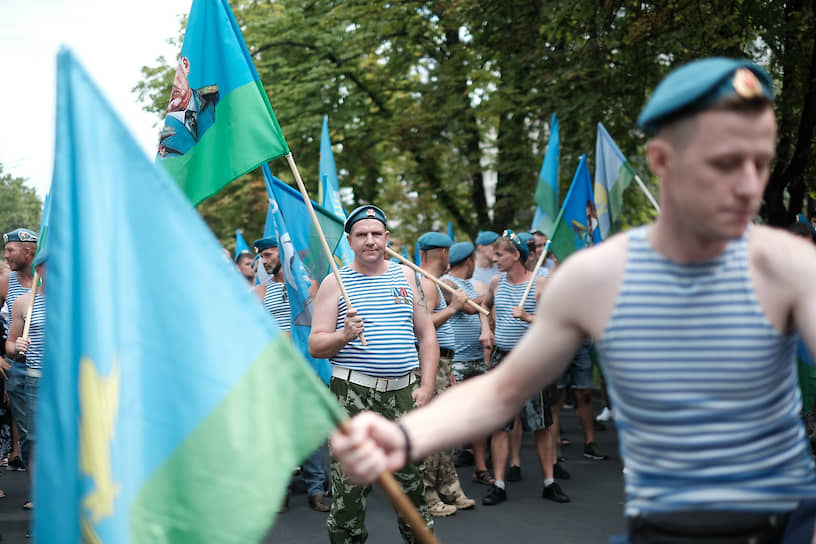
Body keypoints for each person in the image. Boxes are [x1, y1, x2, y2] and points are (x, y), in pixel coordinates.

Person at [330, 58, 816, 542]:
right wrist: (404, 437)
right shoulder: (596, 278)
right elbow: (503, 391)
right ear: (663, 160)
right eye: (726, 162)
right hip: (662, 530)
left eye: (762, 161)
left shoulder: (789, 265)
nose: (750, 183)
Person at [310, 205, 437, 543]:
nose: (370, 241)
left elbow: (426, 336)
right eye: (362, 235)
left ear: (387, 238)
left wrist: (426, 387)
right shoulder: (333, 283)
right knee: (350, 491)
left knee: (412, 487)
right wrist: (343, 336)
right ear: (349, 241)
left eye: (376, 234)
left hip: (403, 394)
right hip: (353, 395)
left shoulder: (407, 276)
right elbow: (316, 345)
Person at [481, 229, 567, 505]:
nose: (494, 259)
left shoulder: (540, 284)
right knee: (500, 425)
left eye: (499, 254)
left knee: (541, 425)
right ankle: (499, 484)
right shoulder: (496, 282)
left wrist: (528, 316)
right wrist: (486, 329)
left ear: (516, 255)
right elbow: (485, 306)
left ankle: (549, 482)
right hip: (502, 359)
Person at [415, 232, 475, 516]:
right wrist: (453, 308)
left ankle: (448, 486)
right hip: (432, 364)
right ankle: (427, 494)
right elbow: (422, 327)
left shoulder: (433, 284)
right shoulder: (427, 284)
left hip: (444, 363)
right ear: (442, 253)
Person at [441, 241, 493, 485]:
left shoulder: (477, 284)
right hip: (457, 361)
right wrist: (490, 295)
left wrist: (486, 297)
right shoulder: (447, 283)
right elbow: (471, 307)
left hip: (478, 359)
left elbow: (483, 308)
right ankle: (447, 471)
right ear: (469, 261)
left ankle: (480, 467)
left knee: (480, 416)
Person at [6, 246, 46, 533]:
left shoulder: (76, 302)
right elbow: (9, 346)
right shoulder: (24, 303)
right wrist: (16, 348)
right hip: (34, 378)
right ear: (39, 270)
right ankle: (40, 503)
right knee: (34, 442)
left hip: (68, 380)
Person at [0, 228, 37, 482]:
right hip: (13, 365)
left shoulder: (47, 281)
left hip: (46, 368)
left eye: (10, 250)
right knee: (28, 433)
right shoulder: (6, 280)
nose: (6, 256)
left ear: (28, 251)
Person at [157, 56, 219, 158]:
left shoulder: (216, 96)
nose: (172, 88)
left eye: (175, 75)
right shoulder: (164, 137)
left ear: (185, 64)